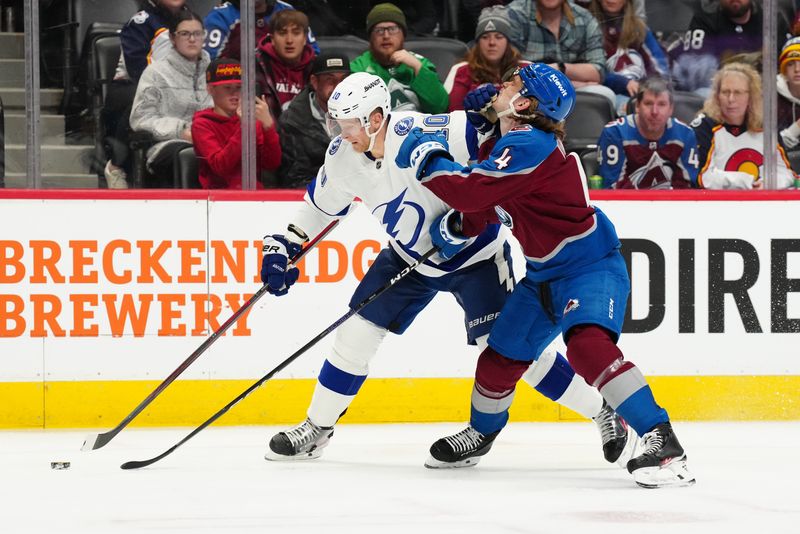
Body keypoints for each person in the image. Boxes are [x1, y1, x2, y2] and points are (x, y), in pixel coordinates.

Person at [260, 72, 633, 466]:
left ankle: (603, 410)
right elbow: (318, 209)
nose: (340, 132)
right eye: (337, 122)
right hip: (408, 259)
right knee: (355, 333)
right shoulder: (341, 157)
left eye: (348, 123)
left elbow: (489, 138)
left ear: (374, 118)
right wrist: (282, 246)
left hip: (476, 259)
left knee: (510, 354)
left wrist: (486, 112)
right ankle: (317, 429)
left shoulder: (420, 130)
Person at [395, 63, 695, 488]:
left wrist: (428, 156)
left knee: (588, 346)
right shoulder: (512, 142)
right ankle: (480, 435)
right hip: (542, 276)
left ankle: (664, 445)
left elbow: (470, 188)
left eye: (512, 84)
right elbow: (487, 205)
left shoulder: (531, 144)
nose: (501, 85)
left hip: (589, 266)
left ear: (525, 103)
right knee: (499, 359)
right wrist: (460, 227)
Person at [104, 0, 188, 189]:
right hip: (129, 88)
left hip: (176, 87)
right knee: (147, 95)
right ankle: (116, 166)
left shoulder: (191, 21)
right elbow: (139, 72)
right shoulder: (141, 22)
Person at [129, 10, 212, 187]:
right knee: (190, 155)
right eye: (184, 34)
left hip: (212, 139)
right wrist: (180, 131)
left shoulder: (214, 72)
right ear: (173, 38)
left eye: (197, 34)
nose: (192, 39)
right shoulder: (155, 72)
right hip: (169, 143)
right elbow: (141, 118)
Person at [691, 62, 796, 189]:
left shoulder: (765, 127)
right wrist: (747, 181)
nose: (731, 99)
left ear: (751, 97)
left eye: (738, 92)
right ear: (717, 96)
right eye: (725, 92)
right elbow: (701, 177)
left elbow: (786, 173)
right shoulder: (705, 126)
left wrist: (769, 184)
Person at [505, 0, 617, 106]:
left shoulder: (584, 18)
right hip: (526, 89)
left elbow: (598, 71)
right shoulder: (515, 14)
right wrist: (569, 83)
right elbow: (509, 69)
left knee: (605, 94)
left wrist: (559, 68)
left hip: (569, 86)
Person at [192, 58, 281, 189]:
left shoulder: (253, 121)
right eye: (227, 88)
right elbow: (220, 167)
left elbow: (272, 163)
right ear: (211, 89)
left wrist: (268, 127)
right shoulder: (202, 124)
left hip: (255, 195)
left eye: (239, 88)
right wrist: (244, 128)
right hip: (218, 198)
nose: (234, 94)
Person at [670, 0, 790, 96]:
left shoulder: (772, 19)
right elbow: (698, 74)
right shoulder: (705, 19)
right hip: (720, 91)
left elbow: (786, 65)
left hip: (763, 90)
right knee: (703, 94)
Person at [597, 77, 700, 189]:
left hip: (670, 205)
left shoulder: (685, 134)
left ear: (671, 109)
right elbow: (613, 189)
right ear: (637, 106)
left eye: (661, 104)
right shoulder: (615, 133)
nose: (654, 111)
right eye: (648, 103)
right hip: (626, 205)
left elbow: (686, 190)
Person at [350, 3, 449, 113]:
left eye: (393, 29)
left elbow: (440, 107)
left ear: (403, 34)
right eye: (379, 30)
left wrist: (417, 68)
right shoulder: (358, 67)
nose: (386, 36)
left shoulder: (420, 63)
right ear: (370, 37)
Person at [277, 52, 351, 188]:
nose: (339, 87)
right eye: (330, 80)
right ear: (315, 82)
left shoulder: (362, 115)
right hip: (311, 199)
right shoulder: (292, 122)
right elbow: (294, 180)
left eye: (344, 80)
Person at [444, 6, 531, 112]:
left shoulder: (527, 69)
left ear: (508, 42)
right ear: (477, 42)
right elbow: (454, 113)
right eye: (485, 37)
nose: (492, 43)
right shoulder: (461, 70)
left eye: (498, 37)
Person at [588, 0, 669, 111]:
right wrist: (622, 83)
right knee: (631, 108)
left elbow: (659, 66)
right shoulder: (588, 27)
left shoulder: (639, 28)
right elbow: (589, 70)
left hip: (641, 90)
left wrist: (650, 86)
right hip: (608, 93)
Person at [203, 0, 319, 60]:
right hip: (235, 86)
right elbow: (208, 61)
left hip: (285, 85)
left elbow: (313, 56)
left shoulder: (287, 11)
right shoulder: (220, 15)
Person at [255, 9, 316, 121]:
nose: (289, 40)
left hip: (304, 136)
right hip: (266, 134)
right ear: (272, 38)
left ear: (304, 39)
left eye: (296, 33)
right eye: (282, 33)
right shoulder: (257, 65)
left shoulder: (315, 68)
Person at [777, 36, 800, 170]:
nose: (797, 69)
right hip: (781, 168)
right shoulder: (771, 97)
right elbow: (770, 147)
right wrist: (797, 127)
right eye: (791, 63)